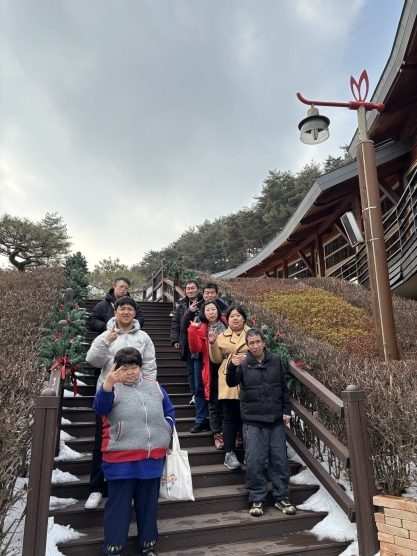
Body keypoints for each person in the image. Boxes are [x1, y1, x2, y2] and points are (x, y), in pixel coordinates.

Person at [94, 347, 175, 556]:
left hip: (151, 459)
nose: (130, 372)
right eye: (124, 368)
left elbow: (169, 410)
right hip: (120, 461)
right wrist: (107, 385)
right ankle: (113, 548)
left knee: (148, 507)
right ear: (116, 368)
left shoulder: (154, 386)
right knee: (118, 508)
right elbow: (100, 408)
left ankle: (148, 545)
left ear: (140, 367)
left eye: (134, 367)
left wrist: (167, 427)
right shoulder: (111, 388)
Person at [84, 296, 157, 510]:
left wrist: (149, 391)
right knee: (102, 442)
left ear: (135, 313)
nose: (126, 312)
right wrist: (106, 340)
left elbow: (149, 366)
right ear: (115, 311)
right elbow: (92, 360)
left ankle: (132, 487)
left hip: (136, 395)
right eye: (122, 308)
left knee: (134, 441)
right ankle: (96, 488)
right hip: (109, 394)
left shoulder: (143, 337)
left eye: (130, 309)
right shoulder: (106, 335)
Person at [226, 328, 296, 518]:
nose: (255, 346)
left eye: (258, 342)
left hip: (275, 420)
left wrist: (286, 410)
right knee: (255, 461)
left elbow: (283, 388)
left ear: (264, 342)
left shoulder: (275, 360)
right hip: (253, 421)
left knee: (280, 461)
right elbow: (231, 382)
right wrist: (231, 366)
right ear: (247, 346)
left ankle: (282, 497)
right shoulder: (244, 363)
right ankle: (257, 498)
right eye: (251, 343)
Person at [209, 305, 250, 470]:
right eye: (231, 316)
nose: (235, 318)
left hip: (250, 376)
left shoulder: (253, 334)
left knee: (249, 417)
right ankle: (229, 453)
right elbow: (216, 359)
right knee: (230, 417)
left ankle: (250, 452)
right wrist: (212, 343)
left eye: (238, 315)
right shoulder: (222, 336)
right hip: (228, 377)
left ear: (244, 318)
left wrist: (246, 358)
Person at [187, 301, 227, 447]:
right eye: (208, 310)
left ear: (218, 311)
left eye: (213, 309)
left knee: (223, 394)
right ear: (204, 312)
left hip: (224, 363)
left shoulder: (226, 324)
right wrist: (192, 330)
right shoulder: (200, 327)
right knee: (201, 390)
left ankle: (225, 426)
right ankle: (202, 420)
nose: (211, 312)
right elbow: (195, 348)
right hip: (205, 362)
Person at [170, 280, 203, 403]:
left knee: (202, 367)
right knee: (191, 368)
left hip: (203, 339)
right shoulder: (181, 305)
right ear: (185, 291)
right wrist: (175, 339)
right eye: (188, 288)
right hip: (187, 340)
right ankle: (194, 394)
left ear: (198, 289)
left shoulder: (204, 302)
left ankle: (204, 394)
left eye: (193, 288)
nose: (190, 290)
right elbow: (175, 323)